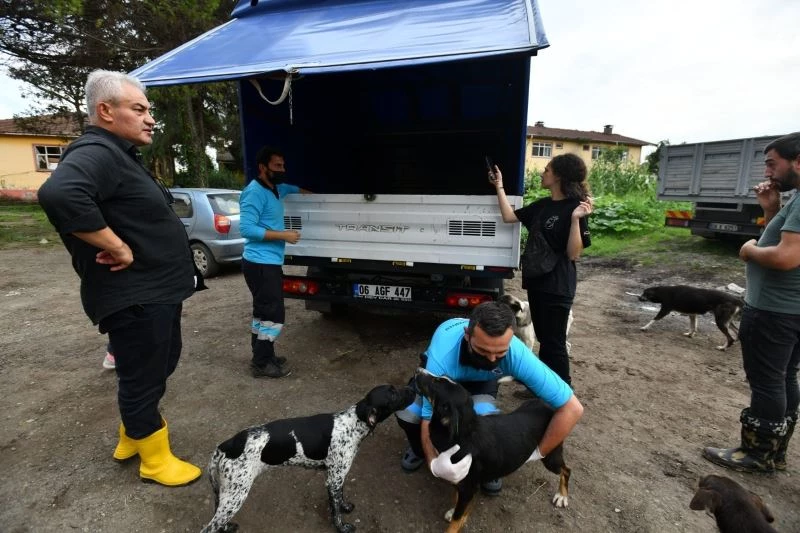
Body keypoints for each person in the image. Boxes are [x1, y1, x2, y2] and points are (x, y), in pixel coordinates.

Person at [37, 69, 202, 487]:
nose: (150, 119)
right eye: (139, 109)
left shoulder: (118, 154)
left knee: (155, 366)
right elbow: (59, 193)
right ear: (106, 111)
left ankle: (132, 436)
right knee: (143, 377)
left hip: (153, 293)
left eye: (149, 110)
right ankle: (155, 460)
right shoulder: (98, 150)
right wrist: (117, 246)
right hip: (135, 295)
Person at [395, 302, 584, 494]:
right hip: (444, 380)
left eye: (500, 353)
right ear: (467, 335)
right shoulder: (443, 354)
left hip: (481, 381)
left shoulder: (517, 354)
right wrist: (433, 464)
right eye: (483, 351)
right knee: (408, 413)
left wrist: (537, 453)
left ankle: (487, 464)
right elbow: (427, 416)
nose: (492, 359)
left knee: (485, 418)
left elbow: (572, 408)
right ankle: (419, 449)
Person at [703, 132, 800, 473]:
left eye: (772, 164)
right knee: (785, 378)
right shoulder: (795, 200)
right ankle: (775, 452)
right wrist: (772, 209)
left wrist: (748, 250)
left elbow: (786, 257)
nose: (767, 172)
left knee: (769, 382)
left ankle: (756, 454)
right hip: (791, 310)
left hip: (775, 312)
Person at [490, 155, 592, 387]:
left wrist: (575, 220)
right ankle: (544, 388)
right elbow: (509, 216)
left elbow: (573, 253)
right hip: (537, 282)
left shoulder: (575, 208)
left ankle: (563, 391)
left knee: (554, 343)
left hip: (558, 286)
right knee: (545, 340)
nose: (542, 173)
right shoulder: (543, 205)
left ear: (558, 176)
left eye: (546, 170)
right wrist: (499, 186)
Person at [239, 146, 310, 378]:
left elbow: (293, 189)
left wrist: (319, 198)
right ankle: (261, 363)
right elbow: (247, 229)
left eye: (283, 165)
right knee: (273, 314)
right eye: (277, 166)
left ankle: (264, 355)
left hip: (268, 263)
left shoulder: (276, 188)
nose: (282, 169)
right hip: (259, 264)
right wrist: (284, 235)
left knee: (262, 312)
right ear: (263, 167)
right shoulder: (254, 193)